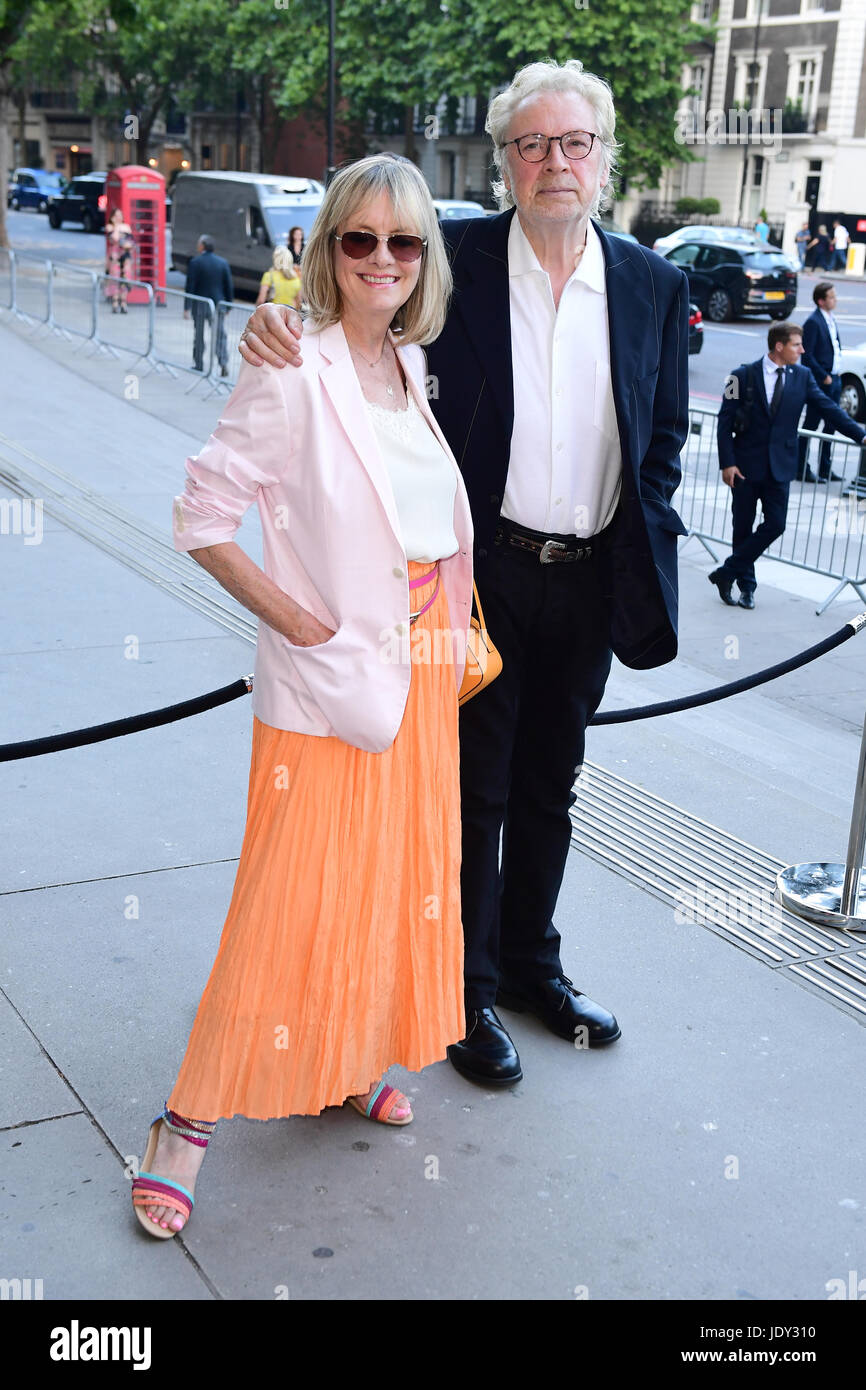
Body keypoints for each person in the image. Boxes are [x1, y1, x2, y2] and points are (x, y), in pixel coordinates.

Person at [238, 59, 691, 1088]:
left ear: (602, 154)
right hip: (473, 580)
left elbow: (659, 434)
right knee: (471, 795)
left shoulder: (650, 284)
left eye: (572, 142)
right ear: (505, 160)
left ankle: (534, 967)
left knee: (550, 787)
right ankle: (464, 991)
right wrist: (272, 322)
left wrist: (634, 537)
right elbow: (353, 314)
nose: (552, 162)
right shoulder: (457, 259)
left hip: (585, 576)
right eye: (530, 144)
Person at [131, 154, 473, 1238]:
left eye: (402, 242)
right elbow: (201, 520)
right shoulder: (291, 366)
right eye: (357, 239)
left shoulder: (410, 370)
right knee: (284, 903)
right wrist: (301, 623)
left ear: (424, 262)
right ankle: (181, 1123)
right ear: (326, 250)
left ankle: (337, 1061)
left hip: (415, 678)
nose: (380, 259)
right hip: (326, 679)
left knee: (390, 881)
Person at [711, 322, 866, 609]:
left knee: (776, 524)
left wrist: (861, 435)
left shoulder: (803, 376)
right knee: (742, 527)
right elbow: (724, 422)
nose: (802, 350)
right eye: (797, 345)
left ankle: (726, 572)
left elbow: (828, 409)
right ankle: (746, 588)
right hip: (744, 466)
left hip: (780, 466)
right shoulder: (739, 376)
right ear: (779, 346)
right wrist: (727, 463)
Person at [798, 282, 846, 483]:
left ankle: (825, 468)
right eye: (832, 297)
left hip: (834, 379)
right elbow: (806, 355)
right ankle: (801, 468)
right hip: (820, 381)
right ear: (821, 301)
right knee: (811, 425)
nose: (835, 300)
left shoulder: (830, 319)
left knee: (831, 425)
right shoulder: (813, 322)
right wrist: (823, 376)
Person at [184, 234, 233, 376]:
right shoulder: (222, 262)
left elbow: (190, 287)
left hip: (200, 305)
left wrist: (186, 307)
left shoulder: (195, 262)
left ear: (202, 245)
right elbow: (228, 286)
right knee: (219, 335)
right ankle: (223, 363)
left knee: (198, 335)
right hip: (218, 305)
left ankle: (198, 363)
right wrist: (229, 305)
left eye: (198, 243)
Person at [105, 207, 135, 313]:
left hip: (125, 255)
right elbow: (115, 239)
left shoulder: (127, 227)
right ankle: (115, 302)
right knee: (115, 278)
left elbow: (131, 242)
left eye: (120, 215)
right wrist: (117, 227)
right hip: (115, 256)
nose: (119, 218)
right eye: (116, 216)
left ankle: (123, 302)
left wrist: (128, 245)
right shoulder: (110, 227)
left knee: (125, 278)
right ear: (112, 217)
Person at [256, 243, 302, 309]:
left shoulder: (269, 276)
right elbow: (298, 302)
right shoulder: (296, 279)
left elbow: (261, 300)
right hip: (289, 315)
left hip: (272, 313)